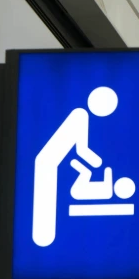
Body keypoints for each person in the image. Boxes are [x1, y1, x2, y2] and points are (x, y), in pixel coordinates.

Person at [31, 86, 117, 247]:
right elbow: (81, 150)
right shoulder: (80, 115)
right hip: (48, 163)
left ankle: (43, 238)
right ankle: (42, 239)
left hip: (50, 162)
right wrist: (96, 162)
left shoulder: (80, 116)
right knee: (44, 215)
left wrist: (93, 163)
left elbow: (80, 150)